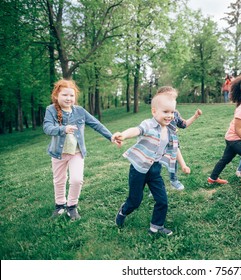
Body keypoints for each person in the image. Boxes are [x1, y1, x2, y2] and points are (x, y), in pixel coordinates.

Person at [113, 93, 190, 236]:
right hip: (139, 169)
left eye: (172, 112)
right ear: (154, 111)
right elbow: (136, 130)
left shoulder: (170, 130)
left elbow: (175, 148)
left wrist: (183, 165)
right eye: (165, 112)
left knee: (162, 200)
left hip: (155, 169)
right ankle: (123, 211)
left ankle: (156, 227)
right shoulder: (148, 124)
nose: (170, 115)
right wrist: (123, 135)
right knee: (135, 201)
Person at [43, 79, 120, 220]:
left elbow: (96, 124)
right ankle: (60, 205)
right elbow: (47, 128)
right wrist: (63, 129)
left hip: (76, 153)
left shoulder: (80, 111)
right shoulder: (51, 110)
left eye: (71, 96)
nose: (68, 98)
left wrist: (111, 137)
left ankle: (72, 207)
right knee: (59, 180)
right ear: (56, 96)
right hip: (58, 153)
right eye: (64, 95)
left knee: (77, 180)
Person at [207, 74, 241, 185]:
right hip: (234, 139)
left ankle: (212, 179)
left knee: (225, 159)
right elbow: (238, 130)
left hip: (236, 138)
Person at [156, 86, 202, 190]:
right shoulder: (158, 113)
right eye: (170, 99)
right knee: (156, 166)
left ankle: (174, 180)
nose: (172, 102)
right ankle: (155, 186)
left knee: (173, 162)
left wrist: (195, 116)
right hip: (159, 145)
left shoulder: (175, 113)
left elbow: (184, 124)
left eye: (174, 99)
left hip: (173, 144)